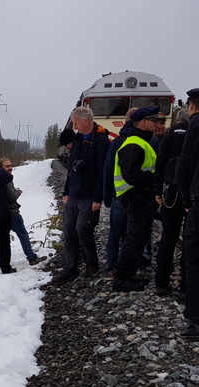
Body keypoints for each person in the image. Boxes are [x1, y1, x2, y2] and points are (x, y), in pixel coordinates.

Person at [51, 107, 110, 285]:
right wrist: (66, 191)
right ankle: (71, 268)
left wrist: (98, 198)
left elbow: (103, 171)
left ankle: (92, 263)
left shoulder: (100, 140)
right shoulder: (77, 139)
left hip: (89, 195)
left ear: (85, 121)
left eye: (76, 123)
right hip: (74, 193)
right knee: (69, 229)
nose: (74, 127)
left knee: (83, 228)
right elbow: (71, 169)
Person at [111, 105, 166, 292]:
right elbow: (131, 174)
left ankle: (128, 274)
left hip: (139, 195)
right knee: (135, 237)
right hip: (135, 195)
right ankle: (121, 278)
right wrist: (155, 180)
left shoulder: (141, 142)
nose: (158, 124)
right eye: (154, 120)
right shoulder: (135, 143)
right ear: (143, 122)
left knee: (139, 236)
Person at [153, 108, 190, 296]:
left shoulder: (170, 135)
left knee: (169, 237)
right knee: (190, 241)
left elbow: (160, 163)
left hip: (170, 193)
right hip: (191, 193)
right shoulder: (195, 130)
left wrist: (157, 190)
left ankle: (161, 283)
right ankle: (186, 288)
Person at [103, 108, 138, 275]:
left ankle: (111, 265)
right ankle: (131, 266)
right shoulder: (147, 140)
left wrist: (106, 197)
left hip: (119, 195)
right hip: (138, 196)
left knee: (115, 233)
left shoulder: (117, 141)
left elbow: (108, 169)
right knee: (134, 232)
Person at [178, 89, 199, 340]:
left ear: (192, 106)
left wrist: (185, 199)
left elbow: (185, 163)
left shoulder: (194, 126)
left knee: (194, 258)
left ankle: (195, 320)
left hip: (198, 201)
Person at [0, 157, 45, 266]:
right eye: (7, 166)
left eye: (10, 165)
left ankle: (1, 261)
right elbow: (11, 197)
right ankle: (31, 257)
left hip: (1, 213)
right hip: (12, 213)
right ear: (1, 168)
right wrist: (18, 192)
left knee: (2, 239)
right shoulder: (6, 180)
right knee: (23, 234)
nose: (10, 168)